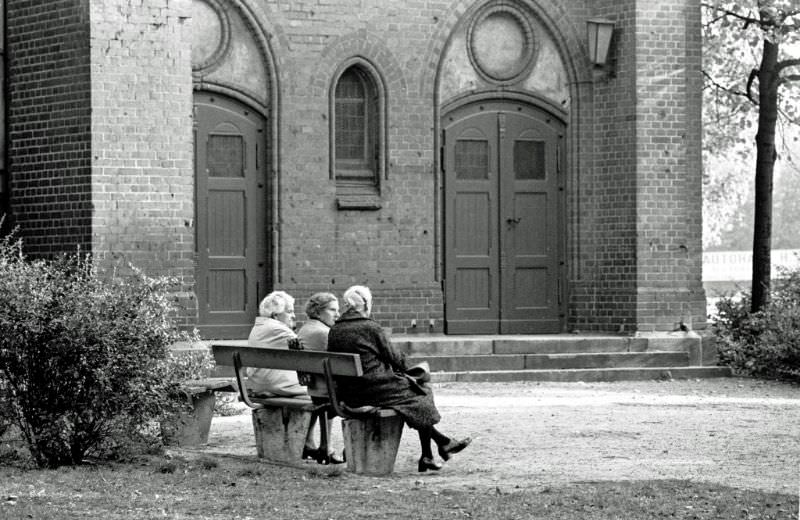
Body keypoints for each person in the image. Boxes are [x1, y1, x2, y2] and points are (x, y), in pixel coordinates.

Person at [327, 285, 471, 472]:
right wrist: (414, 370)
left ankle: (437, 448)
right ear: (365, 304)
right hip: (375, 390)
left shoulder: (335, 330)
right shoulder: (370, 328)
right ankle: (432, 451)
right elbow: (394, 357)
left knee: (416, 393)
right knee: (422, 390)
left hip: (350, 392)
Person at [246, 291, 318, 458]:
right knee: (320, 394)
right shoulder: (278, 330)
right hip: (272, 384)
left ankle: (308, 442)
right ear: (276, 315)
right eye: (290, 311)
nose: (293, 316)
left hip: (259, 382)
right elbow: (306, 348)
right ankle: (310, 443)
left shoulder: (260, 326)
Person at [296, 292, 343, 464]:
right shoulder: (324, 333)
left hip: (314, 388)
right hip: (329, 390)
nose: (337, 314)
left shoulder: (304, 329)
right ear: (317, 311)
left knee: (322, 402)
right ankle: (327, 447)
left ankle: (310, 443)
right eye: (332, 310)